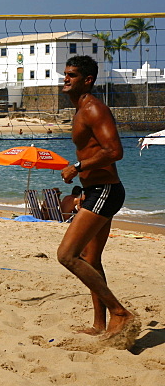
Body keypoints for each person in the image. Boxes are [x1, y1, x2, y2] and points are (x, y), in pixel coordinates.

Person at [56, 55, 134, 340]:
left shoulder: (93, 109)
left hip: (105, 191)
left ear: (88, 80)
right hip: (95, 191)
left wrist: (77, 167)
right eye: (65, 74)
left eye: (72, 75)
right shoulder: (79, 110)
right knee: (91, 259)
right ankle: (100, 324)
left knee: (67, 255)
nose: (65, 78)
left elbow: (115, 151)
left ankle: (120, 312)